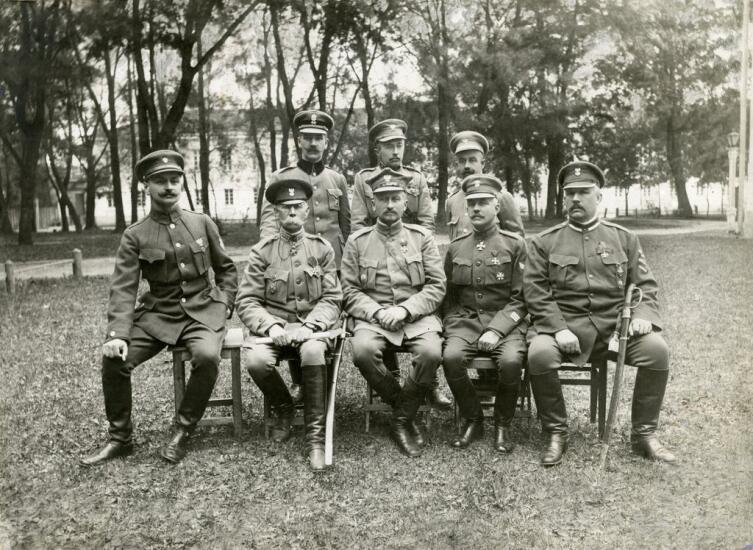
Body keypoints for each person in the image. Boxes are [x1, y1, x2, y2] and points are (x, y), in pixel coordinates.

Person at [80, 150, 238, 466]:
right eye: (160, 181)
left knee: (207, 357)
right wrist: (117, 334)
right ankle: (120, 438)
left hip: (203, 311)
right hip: (158, 316)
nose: (168, 187)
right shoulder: (135, 234)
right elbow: (123, 287)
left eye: (174, 179)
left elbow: (227, 269)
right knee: (114, 360)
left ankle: (183, 430)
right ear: (147, 187)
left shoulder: (201, 222)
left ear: (182, 182)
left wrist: (226, 303)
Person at [524, 160, 677, 466]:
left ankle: (643, 435)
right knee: (540, 354)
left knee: (657, 351)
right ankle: (556, 432)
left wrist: (641, 314)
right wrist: (557, 329)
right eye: (570, 193)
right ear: (563, 198)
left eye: (584, 192)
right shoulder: (544, 242)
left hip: (616, 329)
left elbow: (644, 286)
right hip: (566, 328)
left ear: (599, 196)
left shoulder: (624, 239)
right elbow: (535, 292)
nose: (576, 199)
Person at [236, 178, 342, 471]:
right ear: (276, 213)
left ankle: (315, 439)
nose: (292, 212)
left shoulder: (322, 249)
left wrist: (312, 326)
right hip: (276, 331)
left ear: (307, 211)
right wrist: (271, 326)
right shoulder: (262, 251)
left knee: (312, 352)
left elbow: (333, 297)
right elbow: (246, 300)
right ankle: (284, 408)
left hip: (312, 330)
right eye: (286, 208)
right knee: (257, 361)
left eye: (298, 207)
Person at [341, 168, 446, 457]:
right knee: (362, 351)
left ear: (405, 202)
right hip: (373, 320)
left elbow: (437, 287)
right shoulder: (357, 241)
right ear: (373, 204)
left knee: (431, 354)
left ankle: (400, 419)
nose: (389, 204)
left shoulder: (421, 237)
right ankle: (404, 405)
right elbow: (348, 291)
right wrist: (376, 312)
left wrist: (405, 310)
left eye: (395, 198)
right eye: (383, 198)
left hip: (416, 318)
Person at [351, 119, 450, 409]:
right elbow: (358, 223)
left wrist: (414, 245)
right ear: (377, 148)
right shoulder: (364, 179)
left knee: (430, 348)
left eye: (400, 144)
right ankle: (401, 397)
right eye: (388, 146)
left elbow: (426, 222)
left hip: (412, 260)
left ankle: (423, 387)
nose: (395, 151)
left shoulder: (416, 179)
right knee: (366, 348)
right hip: (374, 259)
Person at [258, 110, 350, 404]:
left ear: (326, 142)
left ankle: (320, 379)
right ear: (299, 141)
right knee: (296, 308)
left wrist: (349, 266)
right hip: (291, 261)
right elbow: (268, 224)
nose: (313, 143)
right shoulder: (282, 177)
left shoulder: (337, 179)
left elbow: (348, 226)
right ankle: (300, 381)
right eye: (307, 137)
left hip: (329, 265)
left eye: (318, 138)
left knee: (322, 317)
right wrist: (274, 259)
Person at [442, 175, 528, 451]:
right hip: (465, 323)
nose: (476, 209)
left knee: (512, 362)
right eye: (472, 204)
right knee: (452, 358)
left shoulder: (515, 245)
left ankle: (502, 426)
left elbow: (521, 298)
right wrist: (451, 324)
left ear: (497, 207)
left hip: (506, 324)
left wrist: (497, 329)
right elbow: (448, 294)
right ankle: (473, 420)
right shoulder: (456, 247)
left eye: (483, 203)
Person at [445, 131, 524, 240]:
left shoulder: (501, 197)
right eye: (462, 161)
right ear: (457, 164)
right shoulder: (452, 202)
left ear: (483, 163)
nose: (467, 166)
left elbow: (517, 242)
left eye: (472, 160)